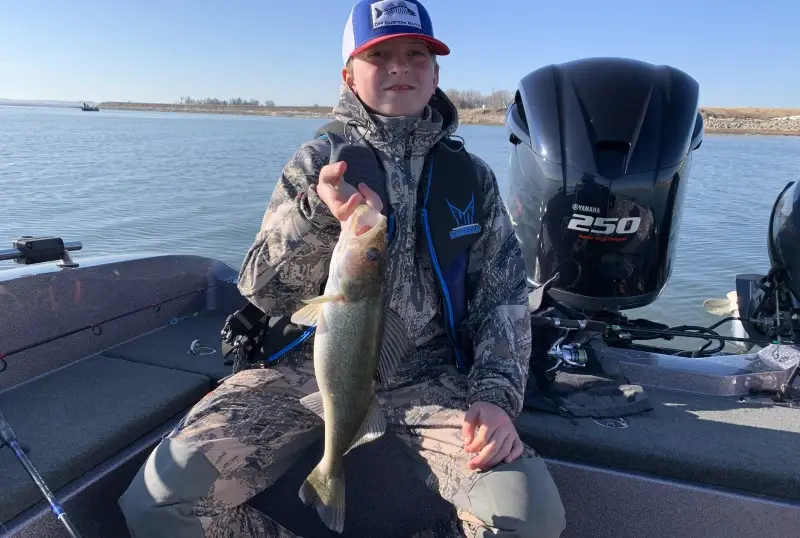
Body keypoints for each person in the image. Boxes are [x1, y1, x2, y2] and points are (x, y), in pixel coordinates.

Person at [118, 0, 565, 536]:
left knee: (529, 517)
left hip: (429, 378)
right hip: (303, 369)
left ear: (436, 73)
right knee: (158, 501)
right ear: (349, 74)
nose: (400, 66)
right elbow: (261, 287)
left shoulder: (473, 178)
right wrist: (319, 216)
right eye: (380, 55)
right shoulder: (317, 163)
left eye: (416, 54)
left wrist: (494, 397)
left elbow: (504, 297)